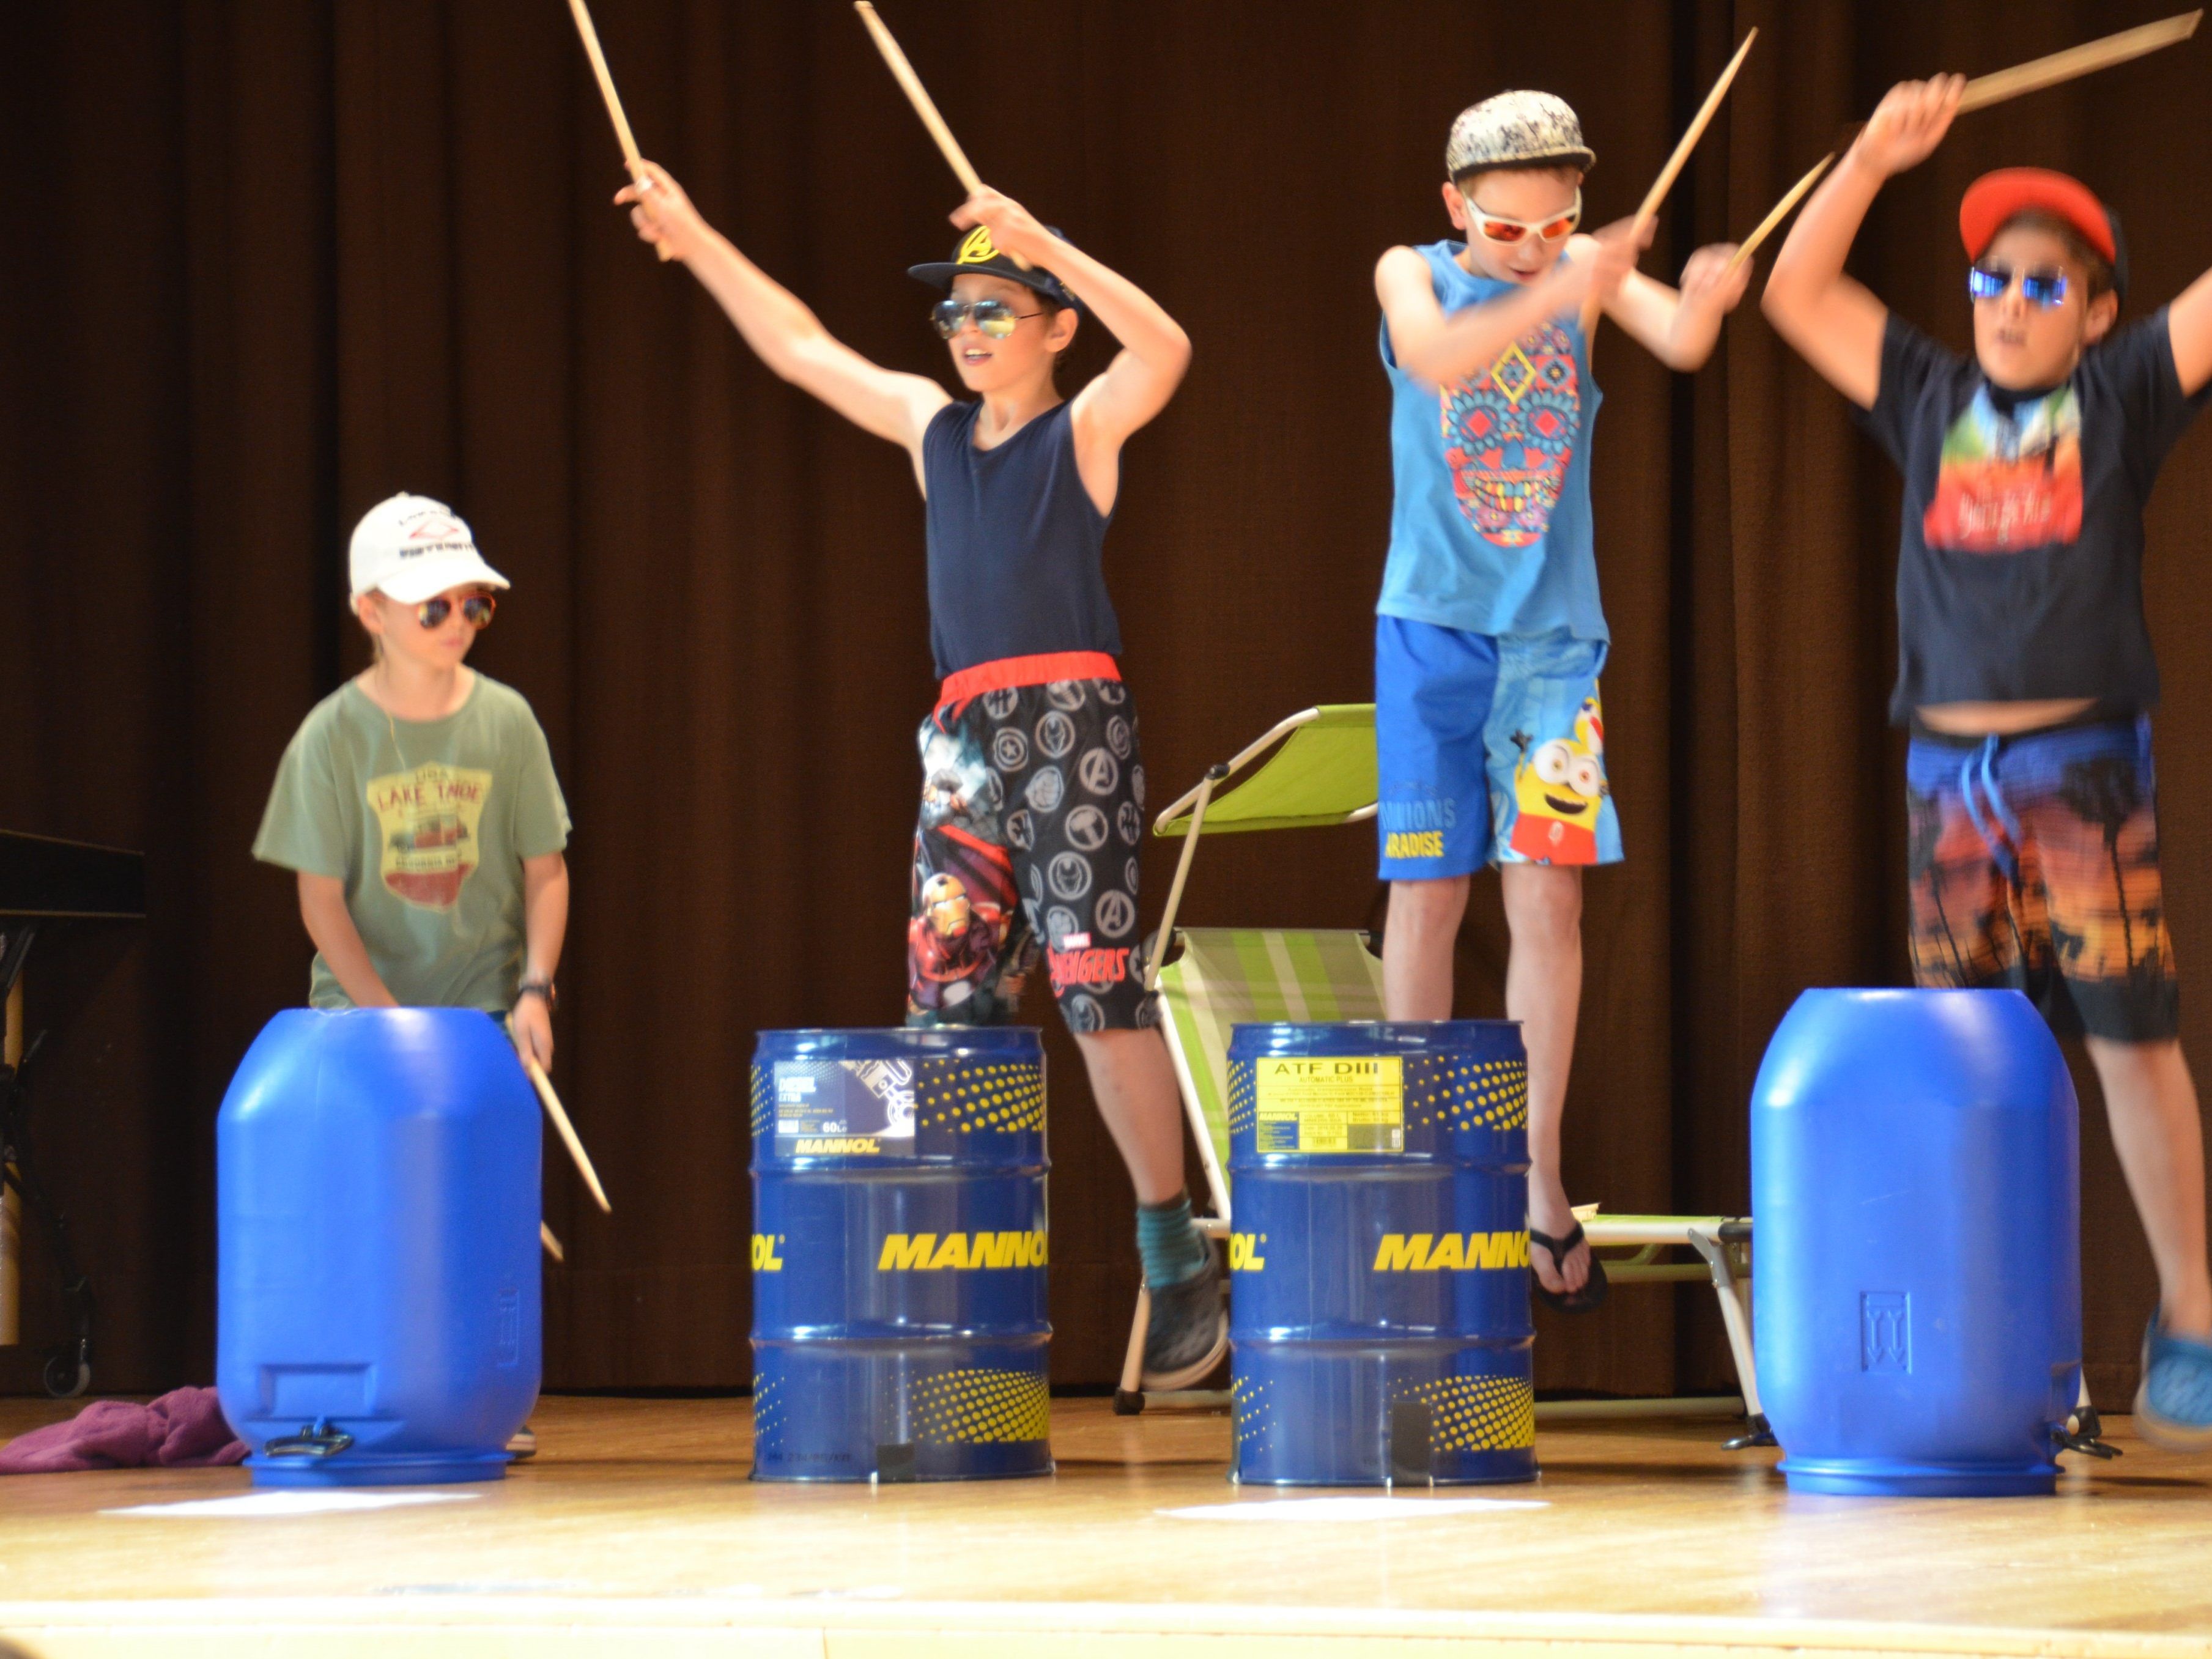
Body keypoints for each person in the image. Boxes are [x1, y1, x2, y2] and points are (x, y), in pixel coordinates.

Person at [616, 162, 1224, 1385]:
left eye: (996, 307)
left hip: (1071, 726)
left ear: (1057, 326)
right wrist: (696, 237)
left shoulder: (1082, 431)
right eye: (955, 313)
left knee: (1098, 989)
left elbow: (1164, 343)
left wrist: (1043, 232)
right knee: (952, 1006)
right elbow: (799, 346)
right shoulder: (928, 431)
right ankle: (968, 1284)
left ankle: (1170, 1249)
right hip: (961, 740)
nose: (967, 330)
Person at [1762, 76, 2212, 1449]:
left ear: (2092, 308)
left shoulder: (2125, 388)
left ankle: (2191, 1322)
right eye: (1989, 277)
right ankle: (2000, 1345)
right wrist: (1873, 157)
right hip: (1946, 786)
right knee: (1972, 1060)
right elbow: (1796, 290)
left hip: (2078, 771)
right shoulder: (1923, 388)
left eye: (2043, 282)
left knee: (2131, 1045)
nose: (2010, 301)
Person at [1372, 91, 1749, 1310]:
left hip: (1552, 646)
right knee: (1425, 896)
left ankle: (1539, 1178)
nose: (1534, 249)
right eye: (1506, 228)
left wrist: (1703, 291)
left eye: (1558, 226)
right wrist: (1573, 278)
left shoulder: (1580, 271)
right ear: (1454, 209)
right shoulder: (1410, 271)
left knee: (1549, 899)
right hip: (1430, 631)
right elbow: (1436, 356)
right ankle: (1422, 1164)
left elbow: (1682, 340)